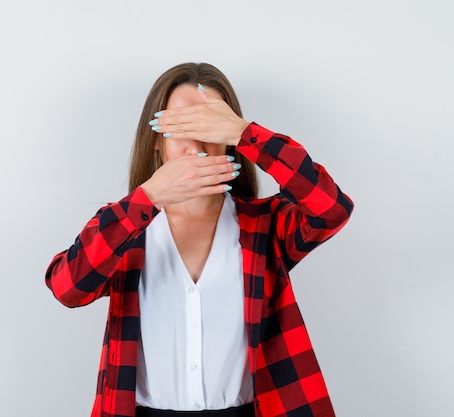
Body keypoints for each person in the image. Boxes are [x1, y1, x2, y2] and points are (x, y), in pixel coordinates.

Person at [45, 62, 354, 417]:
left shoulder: (265, 227)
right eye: (180, 127)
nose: (197, 145)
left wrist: (248, 133)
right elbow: (67, 287)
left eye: (210, 126)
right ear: (157, 144)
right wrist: (147, 198)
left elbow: (331, 207)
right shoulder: (127, 228)